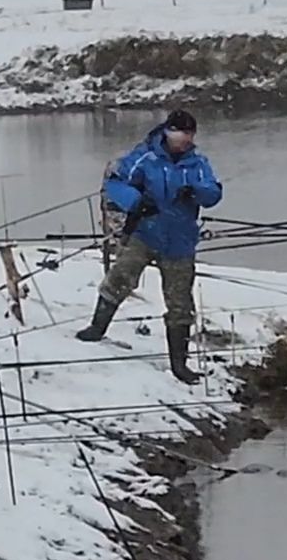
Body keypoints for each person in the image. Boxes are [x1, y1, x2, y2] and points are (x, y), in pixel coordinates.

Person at [75, 110, 221, 384]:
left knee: (180, 301)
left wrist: (196, 192)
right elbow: (115, 183)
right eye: (179, 133)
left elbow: (214, 192)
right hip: (145, 232)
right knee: (120, 278)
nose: (184, 140)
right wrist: (136, 202)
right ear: (167, 132)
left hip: (180, 239)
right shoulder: (145, 156)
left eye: (189, 135)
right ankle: (97, 328)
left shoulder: (199, 163)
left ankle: (180, 364)